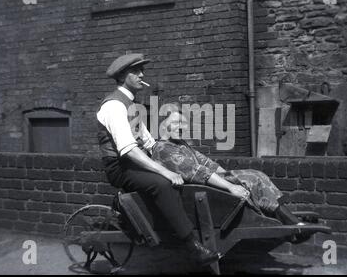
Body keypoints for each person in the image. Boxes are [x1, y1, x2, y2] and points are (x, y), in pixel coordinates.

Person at [96, 53, 221, 266]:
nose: (141, 75)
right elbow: (129, 150)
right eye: (136, 71)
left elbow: (149, 143)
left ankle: (174, 226)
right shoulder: (114, 106)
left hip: (134, 162)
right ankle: (193, 247)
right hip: (120, 166)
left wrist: (172, 153)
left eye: (141, 70)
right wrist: (166, 171)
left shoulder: (131, 104)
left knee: (179, 172)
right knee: (162, 184)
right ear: (123, 76)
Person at [151, 104, 305, 226]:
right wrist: (231, 186)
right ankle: (287, 219)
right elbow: (198, 172)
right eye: (175, 123)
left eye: (183, 123)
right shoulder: (163, 148)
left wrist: (231, 176)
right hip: (199, 191)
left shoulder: (180, 144)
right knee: (252, 178)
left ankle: (281, 215)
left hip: (208, 186)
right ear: (163, 126)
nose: (181, 127)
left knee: (254, 174)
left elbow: (207, 163)